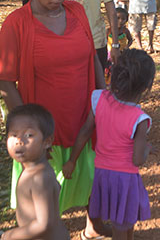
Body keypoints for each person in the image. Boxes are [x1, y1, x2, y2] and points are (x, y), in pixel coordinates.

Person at [0, 0, 109, 240]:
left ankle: (93, 228)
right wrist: (33, 132)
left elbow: (92, 58)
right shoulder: (16, 24)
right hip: (44, 129)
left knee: (94, 177)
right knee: (42, 202)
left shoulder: (76, 12)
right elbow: (6, 85)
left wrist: (102, 98)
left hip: (83, 116)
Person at [62, 49, 154, 240]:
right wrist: (147, 149)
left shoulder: (99, 99)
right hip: (125, 179)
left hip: (102, 174)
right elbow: (138, 159)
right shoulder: (140, 119)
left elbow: (86, 131)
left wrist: (71, 160)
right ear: (146, 87)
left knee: (122, 221)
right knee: (122, 224)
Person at [2, 104, 70, 240]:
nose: (19, 141)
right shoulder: (36, 167)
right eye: (13, 135)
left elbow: (43, 224)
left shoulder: (39, 178)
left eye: (29, 135)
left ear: (47, 141)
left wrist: (10, 235)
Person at [105, 8, 133, 86]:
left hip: (123, 53)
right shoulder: (109, 31)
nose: (121, 21)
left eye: (123, 19)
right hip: (110, 55)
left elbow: (130, 40)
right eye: (118, 18)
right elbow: (104, 42)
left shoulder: (125, 31)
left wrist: (127, 47)